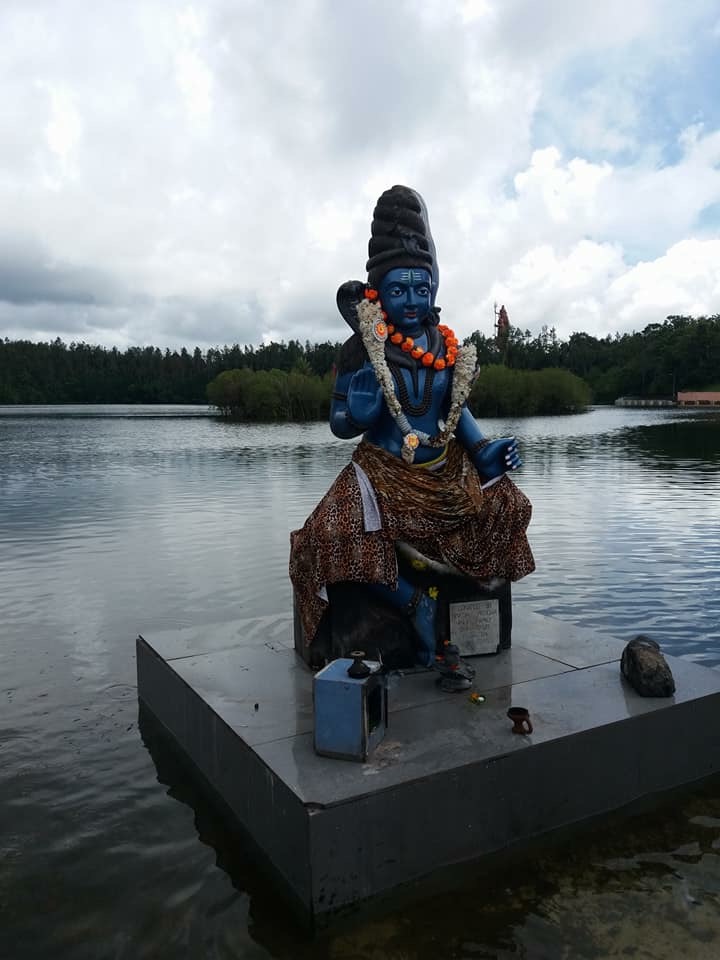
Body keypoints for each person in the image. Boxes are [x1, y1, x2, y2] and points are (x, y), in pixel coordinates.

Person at [290, 185, 534, 669]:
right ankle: (412, 601)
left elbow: (455, 412)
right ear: (378, 293)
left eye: (421, 290)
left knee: (507, 503)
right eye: (398, 290)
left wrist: (484, 450)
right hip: (381, 472)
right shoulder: (362, 348)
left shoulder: (444, 346)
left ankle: (470, 599)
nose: (411, 301)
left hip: (443, 470)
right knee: (326, 534)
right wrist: (357, 414)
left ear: (433, 291)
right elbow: (339, 424)